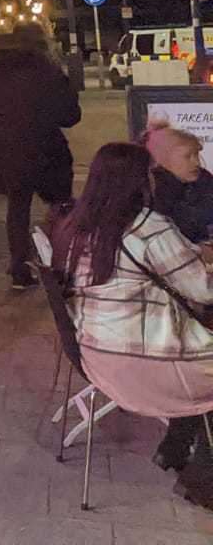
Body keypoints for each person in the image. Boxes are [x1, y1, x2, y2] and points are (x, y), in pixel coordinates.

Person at [54, 142, 213, 508]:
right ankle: (202, 479)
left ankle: (173, 450)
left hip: (96, 361)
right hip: (154, 369)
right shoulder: (149, 226)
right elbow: (202, 291)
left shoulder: (76, 225)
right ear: (138, 182)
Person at [0, 23, 82, 287]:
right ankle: (62, 266)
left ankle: (19, 266)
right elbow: (70, 116)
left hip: (8, 150)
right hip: (47, 150)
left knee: (17, 208)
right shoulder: (47, 71)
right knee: (61, 208)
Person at [147, 124, 213, 244]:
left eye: (197, 155)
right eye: (187, 157)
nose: (197, 162)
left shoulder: (204, 180)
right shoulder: (153, 191)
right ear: (162, 159)